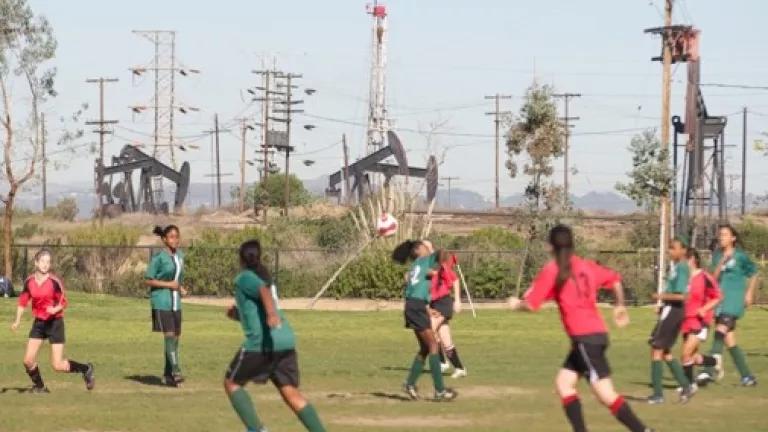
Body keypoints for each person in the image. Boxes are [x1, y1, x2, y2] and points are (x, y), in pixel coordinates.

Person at [508, 225, 653, 432]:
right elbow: (615, 279)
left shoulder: (553, 269)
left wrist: (516, 304)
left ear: (550, 246)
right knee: (564, 384)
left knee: (605, 394)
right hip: (592, 336)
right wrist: (620, 304)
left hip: (586, 340)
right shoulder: (585, 266)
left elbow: (532, 305)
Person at [224, 239, 326, 432]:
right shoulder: (265, 276)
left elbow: (263, 294)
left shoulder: (246, 277)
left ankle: (257, 430)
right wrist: (238, 315)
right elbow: (261, 305)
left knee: (231, 383)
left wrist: (271, 314)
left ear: (241, 259)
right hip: (285, 340)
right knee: (291, 393)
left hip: (262, 343)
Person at [10, 249, 94, 393]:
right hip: (39, 324)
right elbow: (23, 302)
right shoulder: (29, 282)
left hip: (55, 323)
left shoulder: (54, 282)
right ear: (36, 262)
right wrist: (17, 321)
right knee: (28, 360)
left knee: (57, 365)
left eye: (48, 262)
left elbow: (64, 302)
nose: (45, 264)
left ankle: (86, 369)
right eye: (42, 261)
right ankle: (40, 387)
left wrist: (55, 310)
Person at [392, 239, 458, 401]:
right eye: (425, 246)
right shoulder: (424, 260)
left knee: (425, 348)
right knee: (433, 344)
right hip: (416, 307)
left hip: (414, 306)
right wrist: (443, 254)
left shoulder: (416, 266)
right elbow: (442, 253)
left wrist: (427, 309)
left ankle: (409, 384)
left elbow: (416, 290)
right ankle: (440, 390)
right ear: (419, 250)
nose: (428, 248)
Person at [697, 224, 759, 386]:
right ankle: (747, 377)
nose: (721, 237)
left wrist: (749, 292)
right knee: (729, 340)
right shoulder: (717, 255)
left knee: (719, 332)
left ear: (733, 238)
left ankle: (707, 370)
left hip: (734, 300)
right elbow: (713, 278)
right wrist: (722, 262)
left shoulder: (740, 256)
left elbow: (753, 272)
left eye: (725, 234)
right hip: (720, 302)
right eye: (720, 234)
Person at [647, 238, 695, 404]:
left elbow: (682, 295)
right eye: (669, 248)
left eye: (673, 248)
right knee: (664, 351)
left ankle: (658, 395)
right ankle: (686, 386)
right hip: (671, 310)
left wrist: (660, 297)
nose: (670, 251)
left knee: (656, 349)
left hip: (674, 311)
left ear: (683, 250)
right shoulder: (677, 267)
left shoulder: (682, 268)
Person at [145, 224, 187, 387]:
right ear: (164, 239)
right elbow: (148, 279)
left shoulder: (180, 256)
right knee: (169, 336)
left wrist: (180, 288)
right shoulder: (159, 258)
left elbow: (177, 279)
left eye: (177, 236)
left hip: (176, 303)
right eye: (171, 237)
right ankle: (176, 371)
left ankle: (167, 375)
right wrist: (169, 285)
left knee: (175, 339)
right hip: (162, 301)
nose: (175, 240)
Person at [680, 247, 723, 388]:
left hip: (700, 322)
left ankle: (689, 386)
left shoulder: (704, 277)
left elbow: (718, 297)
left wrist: (704, 308)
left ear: (691, 259)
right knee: (693, 357)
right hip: (686, 321)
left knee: (685, 354)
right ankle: (714, 361)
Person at [429, 250, 466, 378]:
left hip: (443, 303)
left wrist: (457, 300)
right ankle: (459, 368)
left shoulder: (442, 267)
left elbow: (455, 280)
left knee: (429, 329)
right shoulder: (426, 266)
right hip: (434, 304)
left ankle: (441, 362)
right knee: (445, 339)